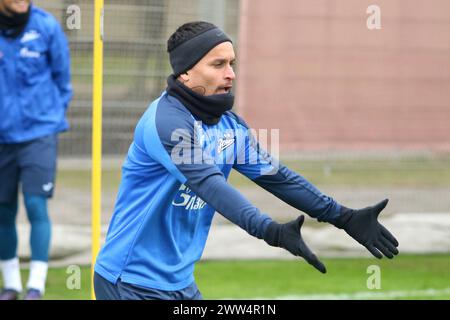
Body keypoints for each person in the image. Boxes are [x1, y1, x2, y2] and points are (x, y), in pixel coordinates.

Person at [94, 21, 399, 300]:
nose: (231, 74)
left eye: (232, 64)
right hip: (129, 282)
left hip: (180, 282)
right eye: (218, 64)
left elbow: (276, 177)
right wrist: (268, 230)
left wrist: (342, 216)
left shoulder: (229, 125)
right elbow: (209, 184)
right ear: (185, 72)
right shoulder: (166, 122)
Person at [0, 0, 72, 300]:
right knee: (4, 211)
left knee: (35, 205)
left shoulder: (46, 26)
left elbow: (63, 80)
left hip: (39, 134)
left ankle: (36, 286)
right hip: (3, 139)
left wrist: (49, 118)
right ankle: (12, 284)